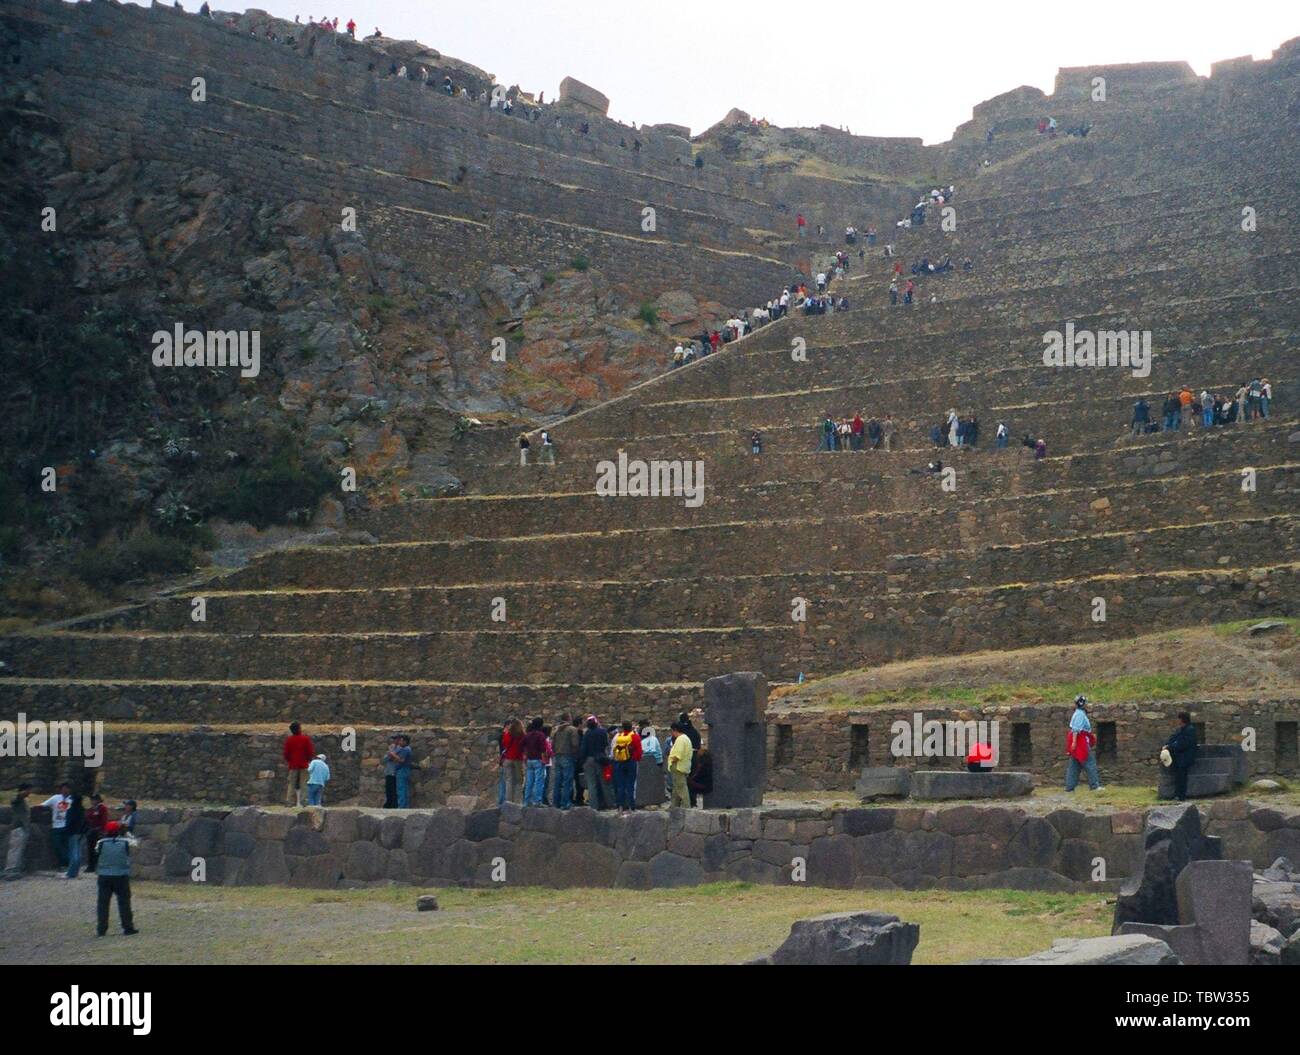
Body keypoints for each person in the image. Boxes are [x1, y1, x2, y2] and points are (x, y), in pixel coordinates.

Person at [94, 822, 138, 937]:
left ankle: (101, 929)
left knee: (103, 903)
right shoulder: (125, 843)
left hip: (104, 875)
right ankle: (127, 927)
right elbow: (135, 843)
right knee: (124, 902)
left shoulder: (101, 843)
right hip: (121, 875)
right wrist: (127, 833)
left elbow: (96, 852)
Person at [1065, 695, 1102, 792]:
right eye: (1086, 703)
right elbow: (1076, 730)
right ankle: (1094, 785)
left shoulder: (1078, 713)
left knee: (1075, 765)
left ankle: (1070, 787)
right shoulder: (1080, 715)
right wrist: (1074, 742)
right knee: (1089, 763)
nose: (1087, 705)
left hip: (1078, 742)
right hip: (1080, 743)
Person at [1164, 712, 1198, 801]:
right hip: (1179, 758)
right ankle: (1177, 794)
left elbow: (1183, 744)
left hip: (1185, 758)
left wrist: (1171, 746)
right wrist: (1167, 745)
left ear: (1182, 719)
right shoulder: (1180, 730)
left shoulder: (1190, 730)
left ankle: (1181, 795)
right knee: (1178, 776)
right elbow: (1173, 739)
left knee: (1182, 777)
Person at [551, 714, 581, 810]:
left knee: (557, 781)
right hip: (568, 756)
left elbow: (552, 744)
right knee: (567, 781)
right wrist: (575, 754)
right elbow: (575, 744)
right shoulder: (572, 730)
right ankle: (565, 802)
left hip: (558, 756)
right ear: (569, 719)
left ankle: (556, 802)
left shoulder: (556, 730)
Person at [580, 715, 610, 810]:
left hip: (589, 759)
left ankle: (593, 806)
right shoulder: (602, 732)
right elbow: (606, 744)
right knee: (604, 783)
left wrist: (582, 760)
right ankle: (608, 803)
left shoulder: (587, 734)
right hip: (600, 759)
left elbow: (583, 748)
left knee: (591, 784)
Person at [611, 721, 642, 813]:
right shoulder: (635, 737)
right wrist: (636, 759)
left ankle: (620, 806)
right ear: (631, 727)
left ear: (623, 728)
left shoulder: (618, 737)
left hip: (619, 762)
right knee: (630, 785)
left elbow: (613, 750)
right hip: (631, 762)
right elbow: (639, 751)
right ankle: (631, 806)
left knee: (620, 785)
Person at [283, 722, 314, 808]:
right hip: (303, 765)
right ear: (299, 729)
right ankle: (304, 802)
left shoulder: (289, 740)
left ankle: (289, 802)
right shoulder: (305, 739)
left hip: (293, 765)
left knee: (291, 784)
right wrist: (307, 760)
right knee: (304, 784)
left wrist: (290, 761)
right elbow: (310, 752)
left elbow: (286, 753)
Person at [42, 783, 73, 869]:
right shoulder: (55, 798)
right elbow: (43, 805)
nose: (65, 790)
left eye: (67, 788)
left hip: (67, 827)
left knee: (66, 846)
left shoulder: (72, 800)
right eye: (63, 788)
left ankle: (65, 864)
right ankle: (64, 863)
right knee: (57, 846)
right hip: (56, 826)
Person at [4, 784, 32, 880]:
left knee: (19, 849)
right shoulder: (18, 798)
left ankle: (16, 869)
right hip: (18, 827)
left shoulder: (25, 800)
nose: (30, 792)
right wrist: (20, 794)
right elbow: (14, 800)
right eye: (28, 790)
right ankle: (10, 870)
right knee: (15, 849)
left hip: (23, 828)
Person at [521, 717, 549, 806]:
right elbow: (543, 748)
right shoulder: (541, 735)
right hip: (538, 759)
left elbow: (521, 744)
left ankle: (527, 801)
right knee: (539, 781)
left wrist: (525, 753)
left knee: (529, 781)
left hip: (529, 760)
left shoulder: (528, 735)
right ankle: (537, 801)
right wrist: (544, 758)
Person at [667, 722, 694, 809]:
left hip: (678, 766)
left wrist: (671, 761)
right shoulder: (685, 738)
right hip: (683, 766)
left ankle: (686, 806)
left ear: (674, 730)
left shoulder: (680, 740)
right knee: (676, 788)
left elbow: (678, 755)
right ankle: (674, 805)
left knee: (681, 787)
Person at [62, 793, 85, 879]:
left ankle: (71, 873)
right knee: (78, 853)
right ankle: (76, 871)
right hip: (80, 833)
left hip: (72, 833)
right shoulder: (82, 810)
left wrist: (66, 831)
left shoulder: (71, 810)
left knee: (73, 853)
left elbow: (68, 823)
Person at [84, 794, 109, 872]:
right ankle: (91, 866)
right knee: (90, 849)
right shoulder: (91, 809)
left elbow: (103, 820)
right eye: (92, 799)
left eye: (94, 799)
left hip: (98, 831)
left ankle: (97, 866)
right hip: (91, 831)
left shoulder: (102, 808)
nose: (92, 801)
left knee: (97, 849)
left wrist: (101, 830)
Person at [392, 734, 414, 808]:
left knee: (401, 789)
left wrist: (393, 754)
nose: (399, 742)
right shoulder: (407, 749)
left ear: (405, 741)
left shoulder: (405, 749)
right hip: (406, 770)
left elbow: (401, 760)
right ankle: (405, 806)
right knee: (405, 789)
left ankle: (401, 806)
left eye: (401, 741)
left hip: (402, 770)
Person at [383, 734, 401, 808]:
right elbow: (386, 759)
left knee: (394, 790)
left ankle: (394, 805)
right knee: (388, 789)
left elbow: (397, 759)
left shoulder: (401, 748)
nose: (394, 741)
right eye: (394, 739)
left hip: (395, 772)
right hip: (389, 772)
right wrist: (391, 754)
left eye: (396, 739)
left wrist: (391, 755)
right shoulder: (392, 747)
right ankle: (388, 804)